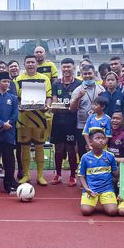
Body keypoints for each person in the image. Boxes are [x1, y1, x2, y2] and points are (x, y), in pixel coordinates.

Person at [15, 55, 52, 186]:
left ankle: (40, 175)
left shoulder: (44, 79)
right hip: (23, 119)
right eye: (28, 62)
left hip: (40, 119)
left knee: (39, 147)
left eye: (33, 62)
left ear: (37, 64)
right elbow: (16, 98)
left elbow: (48, 96)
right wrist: (20, 107)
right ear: (24, 64)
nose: (30, 64)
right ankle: (26, 175)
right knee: (24, 148)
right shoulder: (18, 79)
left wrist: (47, 106)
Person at [50, 58, 82, 186]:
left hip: (72, 120)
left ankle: (72, 176)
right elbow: (55, 101)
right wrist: (56, 106)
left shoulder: (79, 84)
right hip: (58, 120)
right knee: (58, 147)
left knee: (70, 148)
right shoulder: (56, 83)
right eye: (64, 67)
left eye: (69, 67)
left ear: (74, 68)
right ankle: (58, 175)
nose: (66, 69)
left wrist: (66, 107)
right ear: (61, 68)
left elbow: (77, 104)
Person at [78, 127, 118, 217]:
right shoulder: (85, 157)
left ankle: (107, 201)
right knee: (85, 211)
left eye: (103, 138)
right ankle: (93, 202)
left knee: (112, 212)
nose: (101, 141)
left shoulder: (110, 156)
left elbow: (116, 174)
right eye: (97, 138)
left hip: (107, 189)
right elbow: (81, 176)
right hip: (91, 189)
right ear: (91, 142)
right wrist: (87, 189)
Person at [70, 63, 105, 155]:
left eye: (90, 73)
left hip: (98, 125)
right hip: (82, 126)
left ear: (94, 74)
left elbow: (105, 107)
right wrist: (78, 97)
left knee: (98, 150)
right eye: (85, 74)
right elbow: (72, 109)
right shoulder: (77, 90)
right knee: (83, 152)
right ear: (81, 75)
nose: (87, 76)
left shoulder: (101, 89)